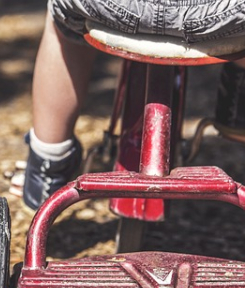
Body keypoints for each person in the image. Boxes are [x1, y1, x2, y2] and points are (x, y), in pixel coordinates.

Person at [23, 0, 245, 211]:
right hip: (218, 14)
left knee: (62, 24)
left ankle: (48, 161)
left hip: (113, 6)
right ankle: (237, 108)